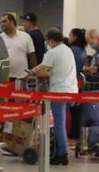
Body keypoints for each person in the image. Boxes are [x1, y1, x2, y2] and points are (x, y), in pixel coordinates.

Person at [32, 29, 78, 165]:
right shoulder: (67, 49)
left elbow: (41, 71)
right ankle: (60, 151)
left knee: (59, 124)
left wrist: (34, 72)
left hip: (58, 91)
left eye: (47, 41)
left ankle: (62, 154)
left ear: (51, 40)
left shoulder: (52, 52)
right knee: (61, 123)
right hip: (71, 91)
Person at [0, 13, 36, 80]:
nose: (2, 24)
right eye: (1, 22)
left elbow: (32, 56)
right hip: (4, 77)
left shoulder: (26, 36)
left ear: (12, 22)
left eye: (4, 21)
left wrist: (33, 73)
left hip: (22, 77)